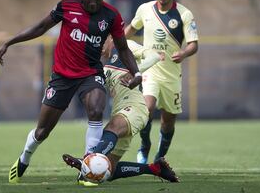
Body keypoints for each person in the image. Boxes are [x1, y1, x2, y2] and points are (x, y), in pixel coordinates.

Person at [0, 0, 142, 183]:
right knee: (42, 132)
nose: (92, 3)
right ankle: (25, 157)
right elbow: (40, 27)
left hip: (90, 73)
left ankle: (87, 169)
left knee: (97, 110)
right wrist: (9, 42)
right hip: (62, 77)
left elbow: (123, 48)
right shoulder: (66, 6)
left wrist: (137, 74)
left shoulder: (112, 16)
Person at [62, 40, 179, 185]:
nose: (97, 45)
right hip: (121, 112)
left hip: (135, 108)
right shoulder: (103, 68)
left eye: (100, 40)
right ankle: (156, 169)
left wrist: (135, 72)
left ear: (109, 36)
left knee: (112, 128)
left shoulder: (126, 45)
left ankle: (86, 160)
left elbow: (155, 56)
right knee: (109, 170)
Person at [124, 0, 199, 163]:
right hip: (150, 71)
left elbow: (193, 44)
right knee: (147, 108)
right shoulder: (145, 9)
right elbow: (132, 28)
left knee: (168, 121)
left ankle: (160, 157)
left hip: (172, 76)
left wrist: (183, 53)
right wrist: (116, 42)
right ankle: (144, 145)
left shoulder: (184, 14)